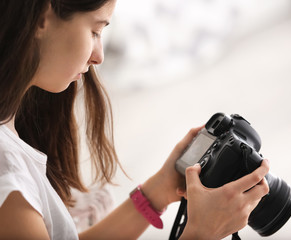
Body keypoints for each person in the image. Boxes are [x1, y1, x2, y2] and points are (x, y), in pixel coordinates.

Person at [0, 0, 270, 239]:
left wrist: (159, 190)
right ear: (43, 17)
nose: (99, 56)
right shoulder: (8, 178)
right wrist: (201, 233)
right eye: (94, 30)